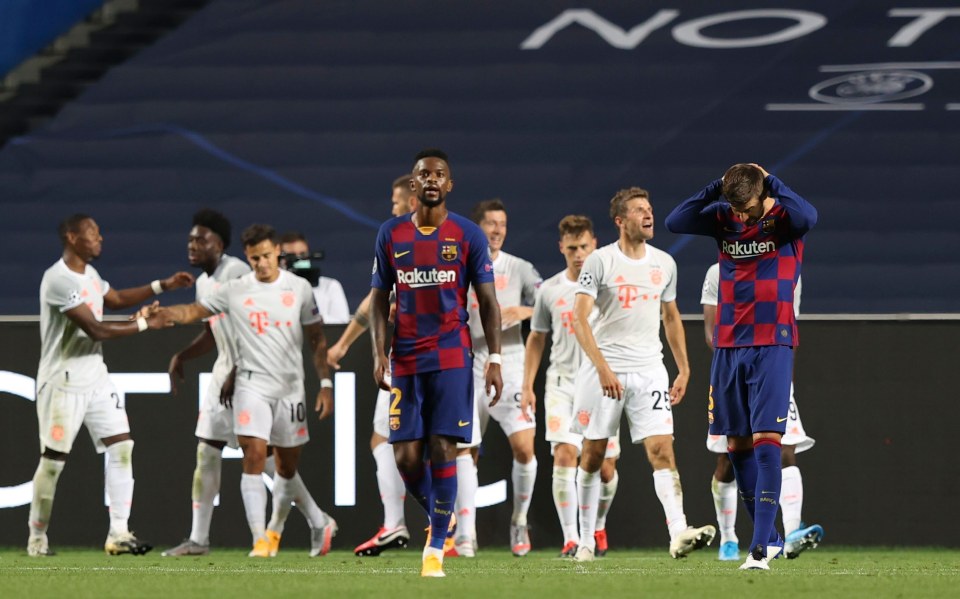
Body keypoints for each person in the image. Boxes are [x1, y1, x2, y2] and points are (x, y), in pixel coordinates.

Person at [146, 224, 338, 558]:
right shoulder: (234, 287)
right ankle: (257, 541)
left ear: (277, 251)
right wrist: (166, 314)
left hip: (288, 388)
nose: (261, 264)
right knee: (247, 454)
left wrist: (324, 383)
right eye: (254, 258)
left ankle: (315, 521)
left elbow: (317, 337)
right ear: (247, 257)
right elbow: (196, 313)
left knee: (283, 468)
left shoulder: (299, 288)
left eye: (265, 256)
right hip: (249, 382)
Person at [665, 163, 817, 570]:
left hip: (772, 343)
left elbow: (810, 216)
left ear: (764, 193)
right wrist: (719, 185)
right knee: (736, 449)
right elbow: (675, 220)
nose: (742, 216)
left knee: (770, 440)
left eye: (747, 207)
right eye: (735, 207)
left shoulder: (784, 220)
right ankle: (771, 539)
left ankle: (758, 552)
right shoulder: (725, 216)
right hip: (729, 347)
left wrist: (772, 182)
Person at [369, 148, 503, 577]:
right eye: (423, 174)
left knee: (444, 446)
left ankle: (435, 547)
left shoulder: (467, 235)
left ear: (449, 185)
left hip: (451, 355)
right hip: (405, 358)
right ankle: (442, 519)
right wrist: (377, 352)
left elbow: (487, 301)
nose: (430, 180)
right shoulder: (390, 235)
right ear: (413, 185)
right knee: (405, 457)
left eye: (439, 174)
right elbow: (377, 300)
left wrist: (495, 358)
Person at [28, 214, 194, 557]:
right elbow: (97, 330)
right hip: (62, 381)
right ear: (73, 237)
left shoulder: (90, 275)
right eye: (93, 233)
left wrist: (162, 285)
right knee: (53, 462)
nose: (100, 238)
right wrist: (145, 325)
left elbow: (115, 299)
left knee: (121, 446)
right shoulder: (58, 279)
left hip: (96, 376)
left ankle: (118, 532)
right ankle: (37, 537)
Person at [571, 187, 716, 562]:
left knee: (662, 449)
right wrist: (602, 367)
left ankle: (678, 531)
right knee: (594, 454)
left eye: (649, 209)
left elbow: (670, 317)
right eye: (638, 210)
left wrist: (683, 368)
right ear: (620, 221)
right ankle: (585, 541)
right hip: (605, 371)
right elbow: (578, 318)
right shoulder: (600, 262)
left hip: (650, 369)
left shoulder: (665, 263)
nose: (648, 215)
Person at [701, 263, 824, 560]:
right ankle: (729, 537)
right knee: (728, 462)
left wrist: (783, 373)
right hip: (733, 372)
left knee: (785, 448)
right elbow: (711, 332)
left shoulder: (786, 272)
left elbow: (788, 326)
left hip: (773, 369)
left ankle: (792, 532)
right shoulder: (718, 273)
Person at [326, 175, 418, 556]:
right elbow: (374, 301)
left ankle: (407, 525)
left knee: (399, 442)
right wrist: (344, 344)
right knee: (418, 444)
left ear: (412, 201)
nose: (392, 209)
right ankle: (452, 533)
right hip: (440, 357)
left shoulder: (404, 241)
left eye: (396, 202)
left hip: (418, 356)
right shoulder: (447, 236)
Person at [522, 215, 621, 558]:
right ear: (561, 248)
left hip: (600, 385)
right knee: (565, 454)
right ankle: (571, 538)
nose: (578, 254)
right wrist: (527, 384)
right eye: (572, 248)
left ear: (594, 244)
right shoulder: (549, 290)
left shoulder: (611, 286)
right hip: (562, 384)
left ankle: (597, 525)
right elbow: (536, 338)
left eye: (584, 246)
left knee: (605, 468)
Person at [453, 198, 542, 558]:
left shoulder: (520, 268)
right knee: (465, 449)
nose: (497, 230)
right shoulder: (461, 267)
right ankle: (466, 534)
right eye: (490, 223)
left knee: (524, 448)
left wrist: (526, 310)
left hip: (512, 361)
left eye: (502, 224)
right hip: (470, 363)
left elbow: (553, 304)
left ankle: (519, 520)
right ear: (477, 229)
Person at [279, 231, 350, 325]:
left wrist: (315, 319)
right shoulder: (275, 288)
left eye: (303, 254)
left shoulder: (330, 286)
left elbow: (342, 321)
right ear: (281, 259)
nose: (298, 259)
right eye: (291, 256)